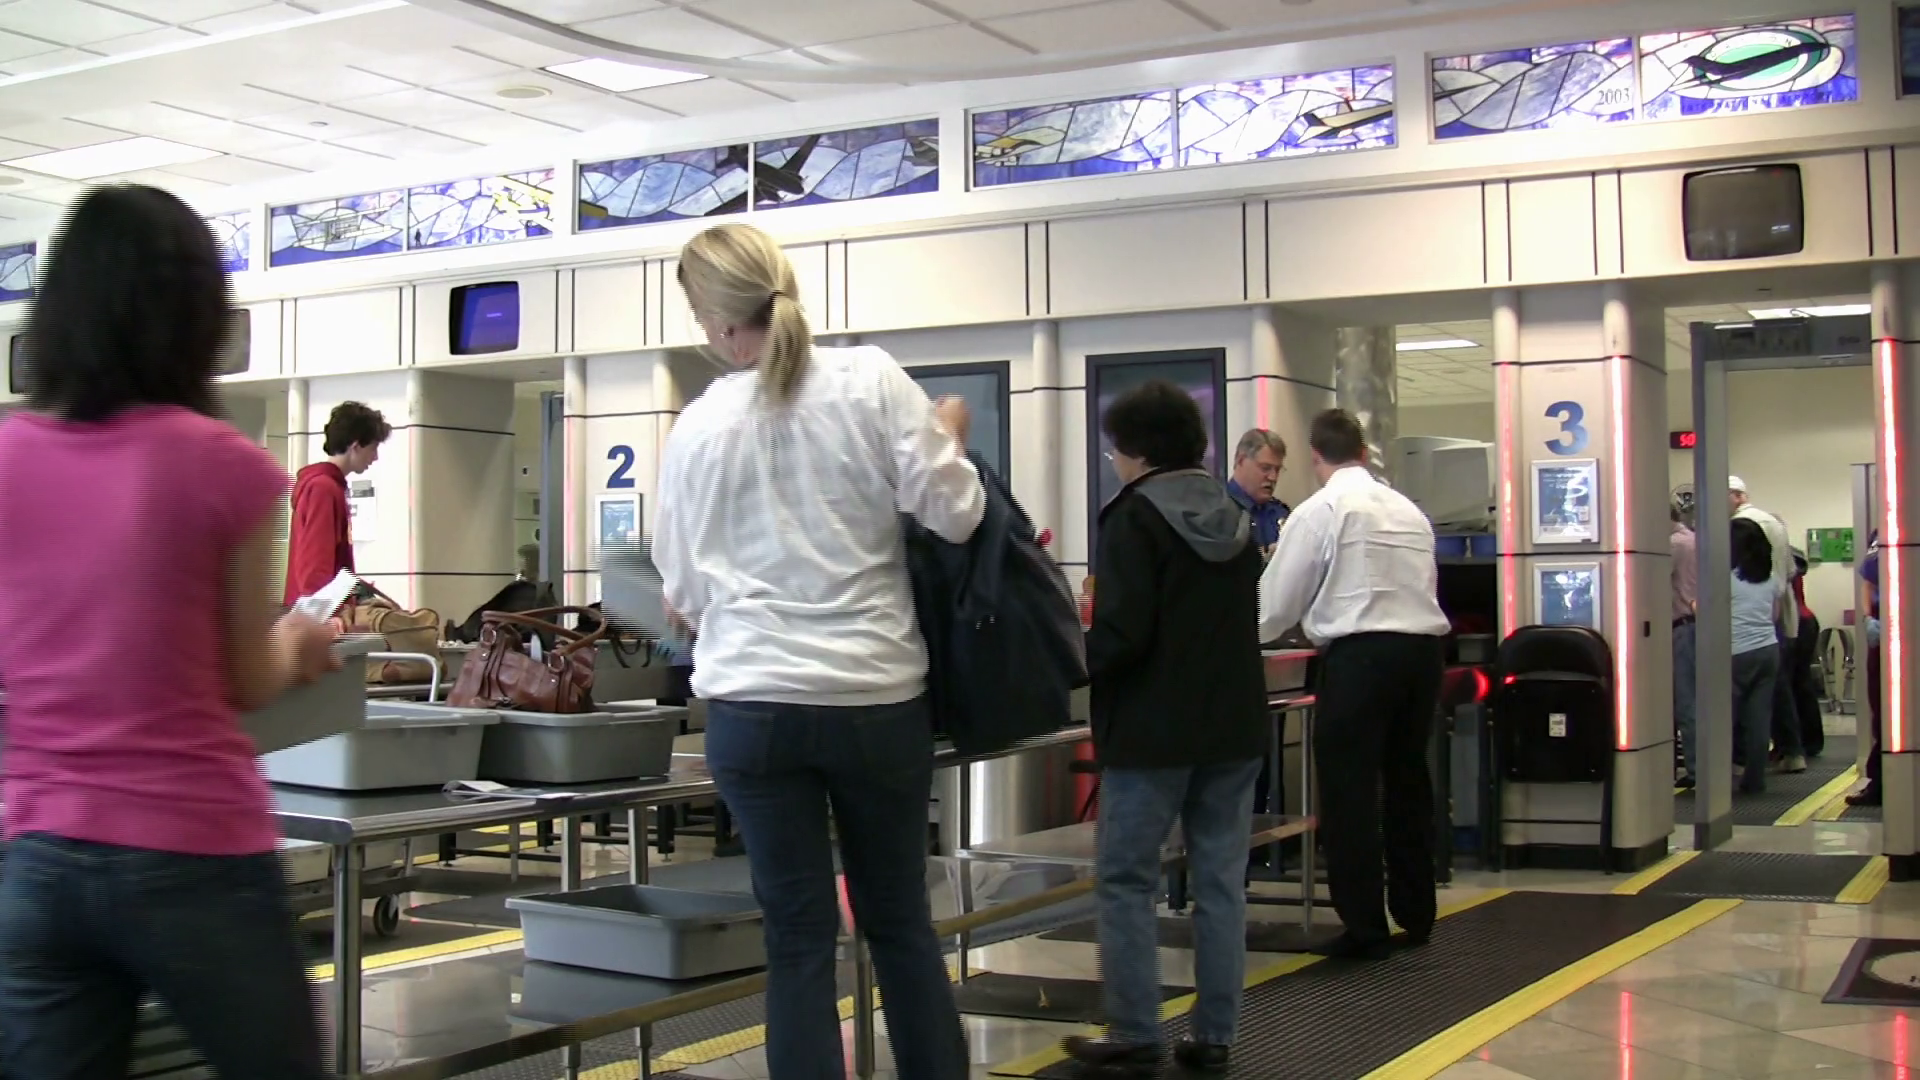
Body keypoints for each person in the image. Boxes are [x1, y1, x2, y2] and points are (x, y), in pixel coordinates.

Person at [0, 184, 339, 1078]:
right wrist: (300, 644)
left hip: (38, 853)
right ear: (194, 317)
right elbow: (245, 680)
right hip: (192, 849)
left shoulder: (8, 457)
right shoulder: (222, 465)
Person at [652, 222, 981, 1080]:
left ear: (719, 322)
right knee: (899, 922)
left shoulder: (698, 424)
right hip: (874, 697)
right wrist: (947, 438)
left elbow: (681, 587)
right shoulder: (871, 379)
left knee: (796, 937)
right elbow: (956, 515)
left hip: (753, 708)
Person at [1064, 381, 1267, 1077]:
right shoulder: (1234, 517)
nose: (1115, 461)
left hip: (1152, 732)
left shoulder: (1133, 518)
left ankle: (1135, 1031)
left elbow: (1123, 635)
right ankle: (1214, 1036)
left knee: (1126, 879)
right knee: (1220, 883)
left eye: (1116, 450)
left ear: (1139, 451)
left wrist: (1064, 660)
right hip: (1233, 726)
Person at [1257, 409, 1448, 960]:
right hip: (1422, 656)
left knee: (1350, 791)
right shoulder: (1410, 511)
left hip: (1361, 658)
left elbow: (1276, 604)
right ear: (1363, 453)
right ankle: (1417, 911)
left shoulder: (1321, 510)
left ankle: (1365, 927)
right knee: (1408, 782)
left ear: (1316, 456)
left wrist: (1247, 634)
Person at [1729, 476, 1804, 773]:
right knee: (1770, 700)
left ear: (1737, 495)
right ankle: (1787, 753)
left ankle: (1737, 761)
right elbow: (1789, 573)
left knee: (1735, 710)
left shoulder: (1741, 527)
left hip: (1738, 640)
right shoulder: (1774, 524)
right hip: (1770, 629)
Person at [284, 399, 389, 606]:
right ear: (356, 446)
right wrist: (323, 614)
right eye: (373, 448)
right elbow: (315, 563)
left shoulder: (328, 486)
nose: (375, 457)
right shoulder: (323, 488)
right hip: (316, 616)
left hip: (317, 612)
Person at [1730, 516, 1784, 795]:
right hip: (1768, 650)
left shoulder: (1726, 578)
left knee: (1724, 719)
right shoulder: (1770, 579)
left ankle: (1717, 780)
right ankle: (1754, 779)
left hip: (1734, 653)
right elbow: (1775, 615)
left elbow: (1706, 611)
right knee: (1759, 719)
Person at [1851, 532, 1883, 807]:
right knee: (1883, 710)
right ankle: (1881, 781)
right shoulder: (1885, 534)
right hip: (1886, 629)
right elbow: (1868, 582)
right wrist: (1868, 617)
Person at [1226, 428, 1290, 561]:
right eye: (1265, 468)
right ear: (1241, 460)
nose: (1273, 477)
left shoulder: (1280, 514)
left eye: (1277, 470)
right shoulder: (1218, 511)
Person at [1672, 504, 1699, 788]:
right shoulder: (1694, 540)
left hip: (1680, 627)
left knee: (1686, 701)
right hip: (1696, 625)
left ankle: (1695, 768)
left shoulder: (1673, 545)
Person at [1789, 548, 1825, 758]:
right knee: (1801, 684)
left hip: (1796, 623)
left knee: (1792, 686)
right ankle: (1810, 741)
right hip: (1805, 620)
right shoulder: (1792, 557)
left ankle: (1800, 743)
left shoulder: (1777, 556)